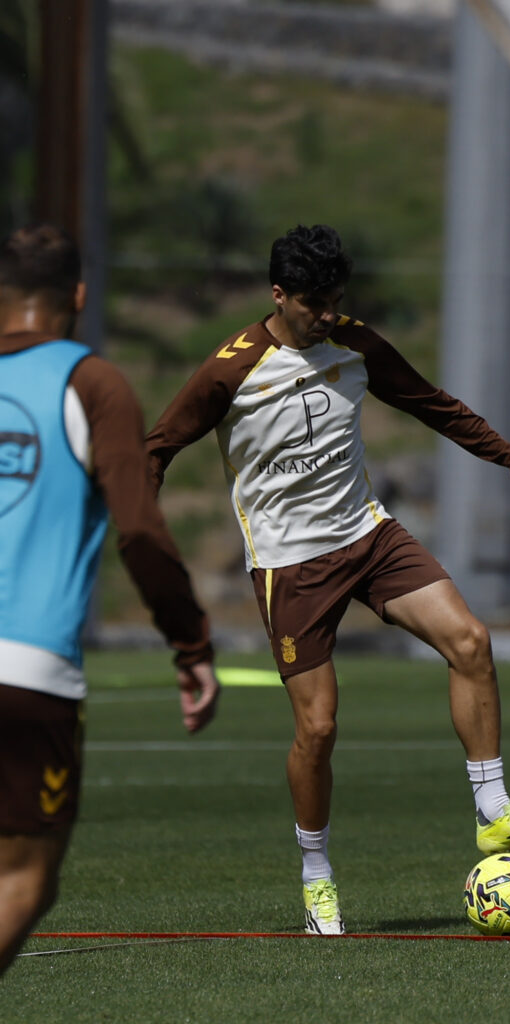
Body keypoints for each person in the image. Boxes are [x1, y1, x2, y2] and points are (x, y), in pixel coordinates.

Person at [146, 223, 510, 936]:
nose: (327, 314)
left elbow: (430, 403)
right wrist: (139, 526)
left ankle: (495, 812)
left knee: (470, 640)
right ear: (279, 295)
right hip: (290, 564)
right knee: (318, 728)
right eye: (313, 302)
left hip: (368, 536)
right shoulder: (231, 369)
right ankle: (317, 880)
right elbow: (157, 448)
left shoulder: (356, 342)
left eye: (335, 300)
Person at [0, 223, 221, 974]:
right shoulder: (93, 383)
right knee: (23, 880)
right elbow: (140, 532)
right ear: (80, 297)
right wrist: (190, 645)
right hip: (28, 672)